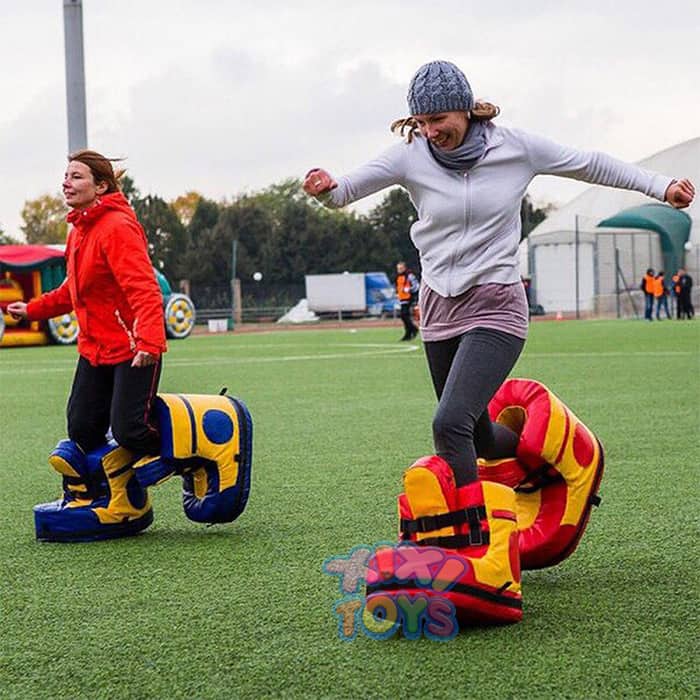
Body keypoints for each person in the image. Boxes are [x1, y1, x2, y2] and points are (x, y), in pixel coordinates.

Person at [302, 60, 695, 621]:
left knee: (448, 424)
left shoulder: (515, 148)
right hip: (439, 307)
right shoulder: (409, 154)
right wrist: (325, 187)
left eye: (439, 118)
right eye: (421, 121)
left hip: (496, 303)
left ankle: (477, 554)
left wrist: (662, 186)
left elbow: (590, 163)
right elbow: (344, 191)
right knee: (481, 436)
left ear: (465, 107)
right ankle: (549, 462)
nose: (431, 130)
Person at [8, 150, 167, 457]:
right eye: (65, 176)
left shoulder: (118, 227)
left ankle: (194, 455)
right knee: (82, 429)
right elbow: (73, 291)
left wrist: (149, 340)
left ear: (101, 187)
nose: (66, 183)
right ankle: (109, 496)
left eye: (76, 177)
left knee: (130, 430)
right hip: (95, 349)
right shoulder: (78, 232)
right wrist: (32, 309)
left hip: (132, 348)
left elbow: (144, 288)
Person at [395, 260, 419, 340]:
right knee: (404, 316)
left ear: (404, 268)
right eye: (398, 268)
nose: (399, 270)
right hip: (402, 299)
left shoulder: (409, 276)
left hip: (408, 298)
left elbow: (416, 286)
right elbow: (398, 287)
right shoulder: (398, 277)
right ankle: (409, 332)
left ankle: (412, 330)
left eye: (401, 268)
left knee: (404, 315)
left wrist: (409, 289)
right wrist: (397, 294)